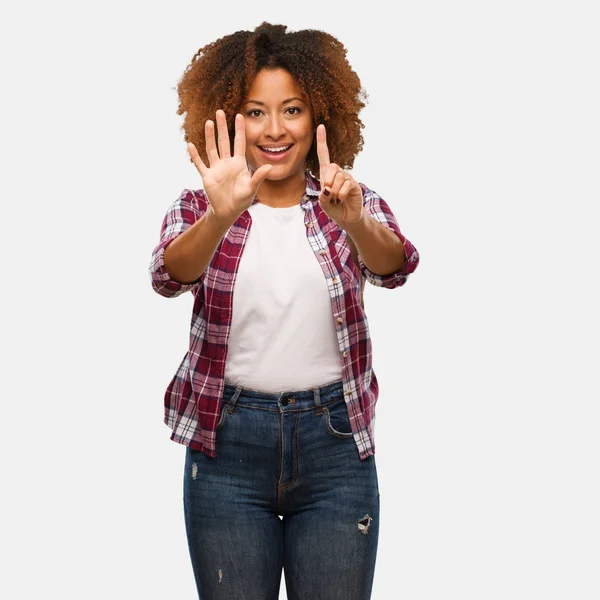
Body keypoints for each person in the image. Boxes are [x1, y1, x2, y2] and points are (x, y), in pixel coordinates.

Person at [149, 21, 420, 600]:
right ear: (227, 116)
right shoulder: (202, 205)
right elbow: (168, 276)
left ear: (320, 115)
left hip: (335, 448)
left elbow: (395, 265)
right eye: (255, 111)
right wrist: (220, 216)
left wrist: (355, 222)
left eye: (291, 109)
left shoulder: (348, 199)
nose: (274, 129)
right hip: (227, 449)